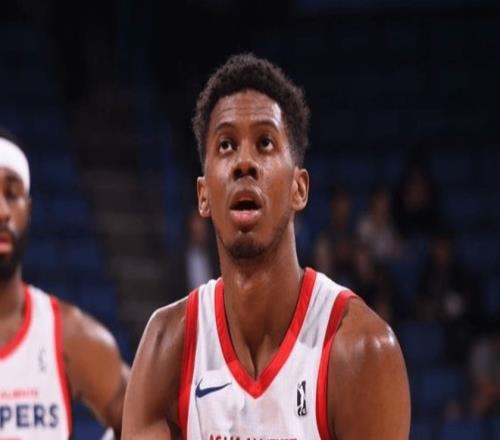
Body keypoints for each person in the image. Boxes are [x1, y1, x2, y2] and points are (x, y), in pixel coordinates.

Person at [123, 54, 410, 439]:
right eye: (226, 145)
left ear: (299, 188)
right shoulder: (166, 349)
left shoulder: (360, 350)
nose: (244, 162)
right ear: (203, 195)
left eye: (264, 143)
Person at [0, 130, 129, 439]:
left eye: (12, 194)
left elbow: (151, 421)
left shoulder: (68, 335)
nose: (2, 211)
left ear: (29, 210)